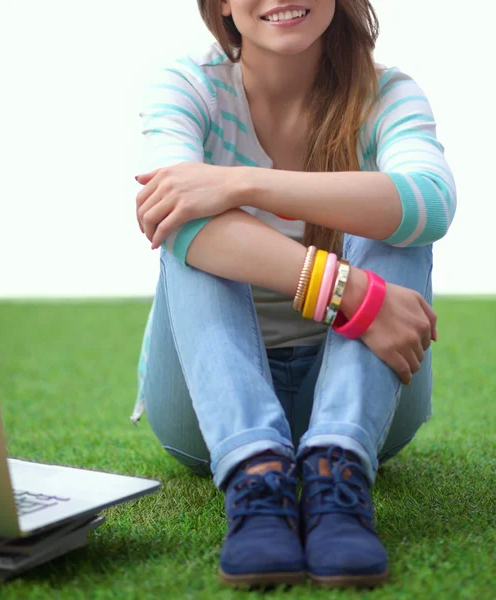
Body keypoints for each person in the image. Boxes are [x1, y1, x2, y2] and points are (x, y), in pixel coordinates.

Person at [131, 0, 456, 589]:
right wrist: (350, 292)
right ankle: (255, 471)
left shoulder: (388, 93)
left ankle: (339, 469)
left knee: (398, 221)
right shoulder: (188, 84)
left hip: (361, 393)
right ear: (223, 4)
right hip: (207, 404)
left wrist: (242, 182)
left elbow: (430, 202)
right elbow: (167, 214)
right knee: (188, 226)